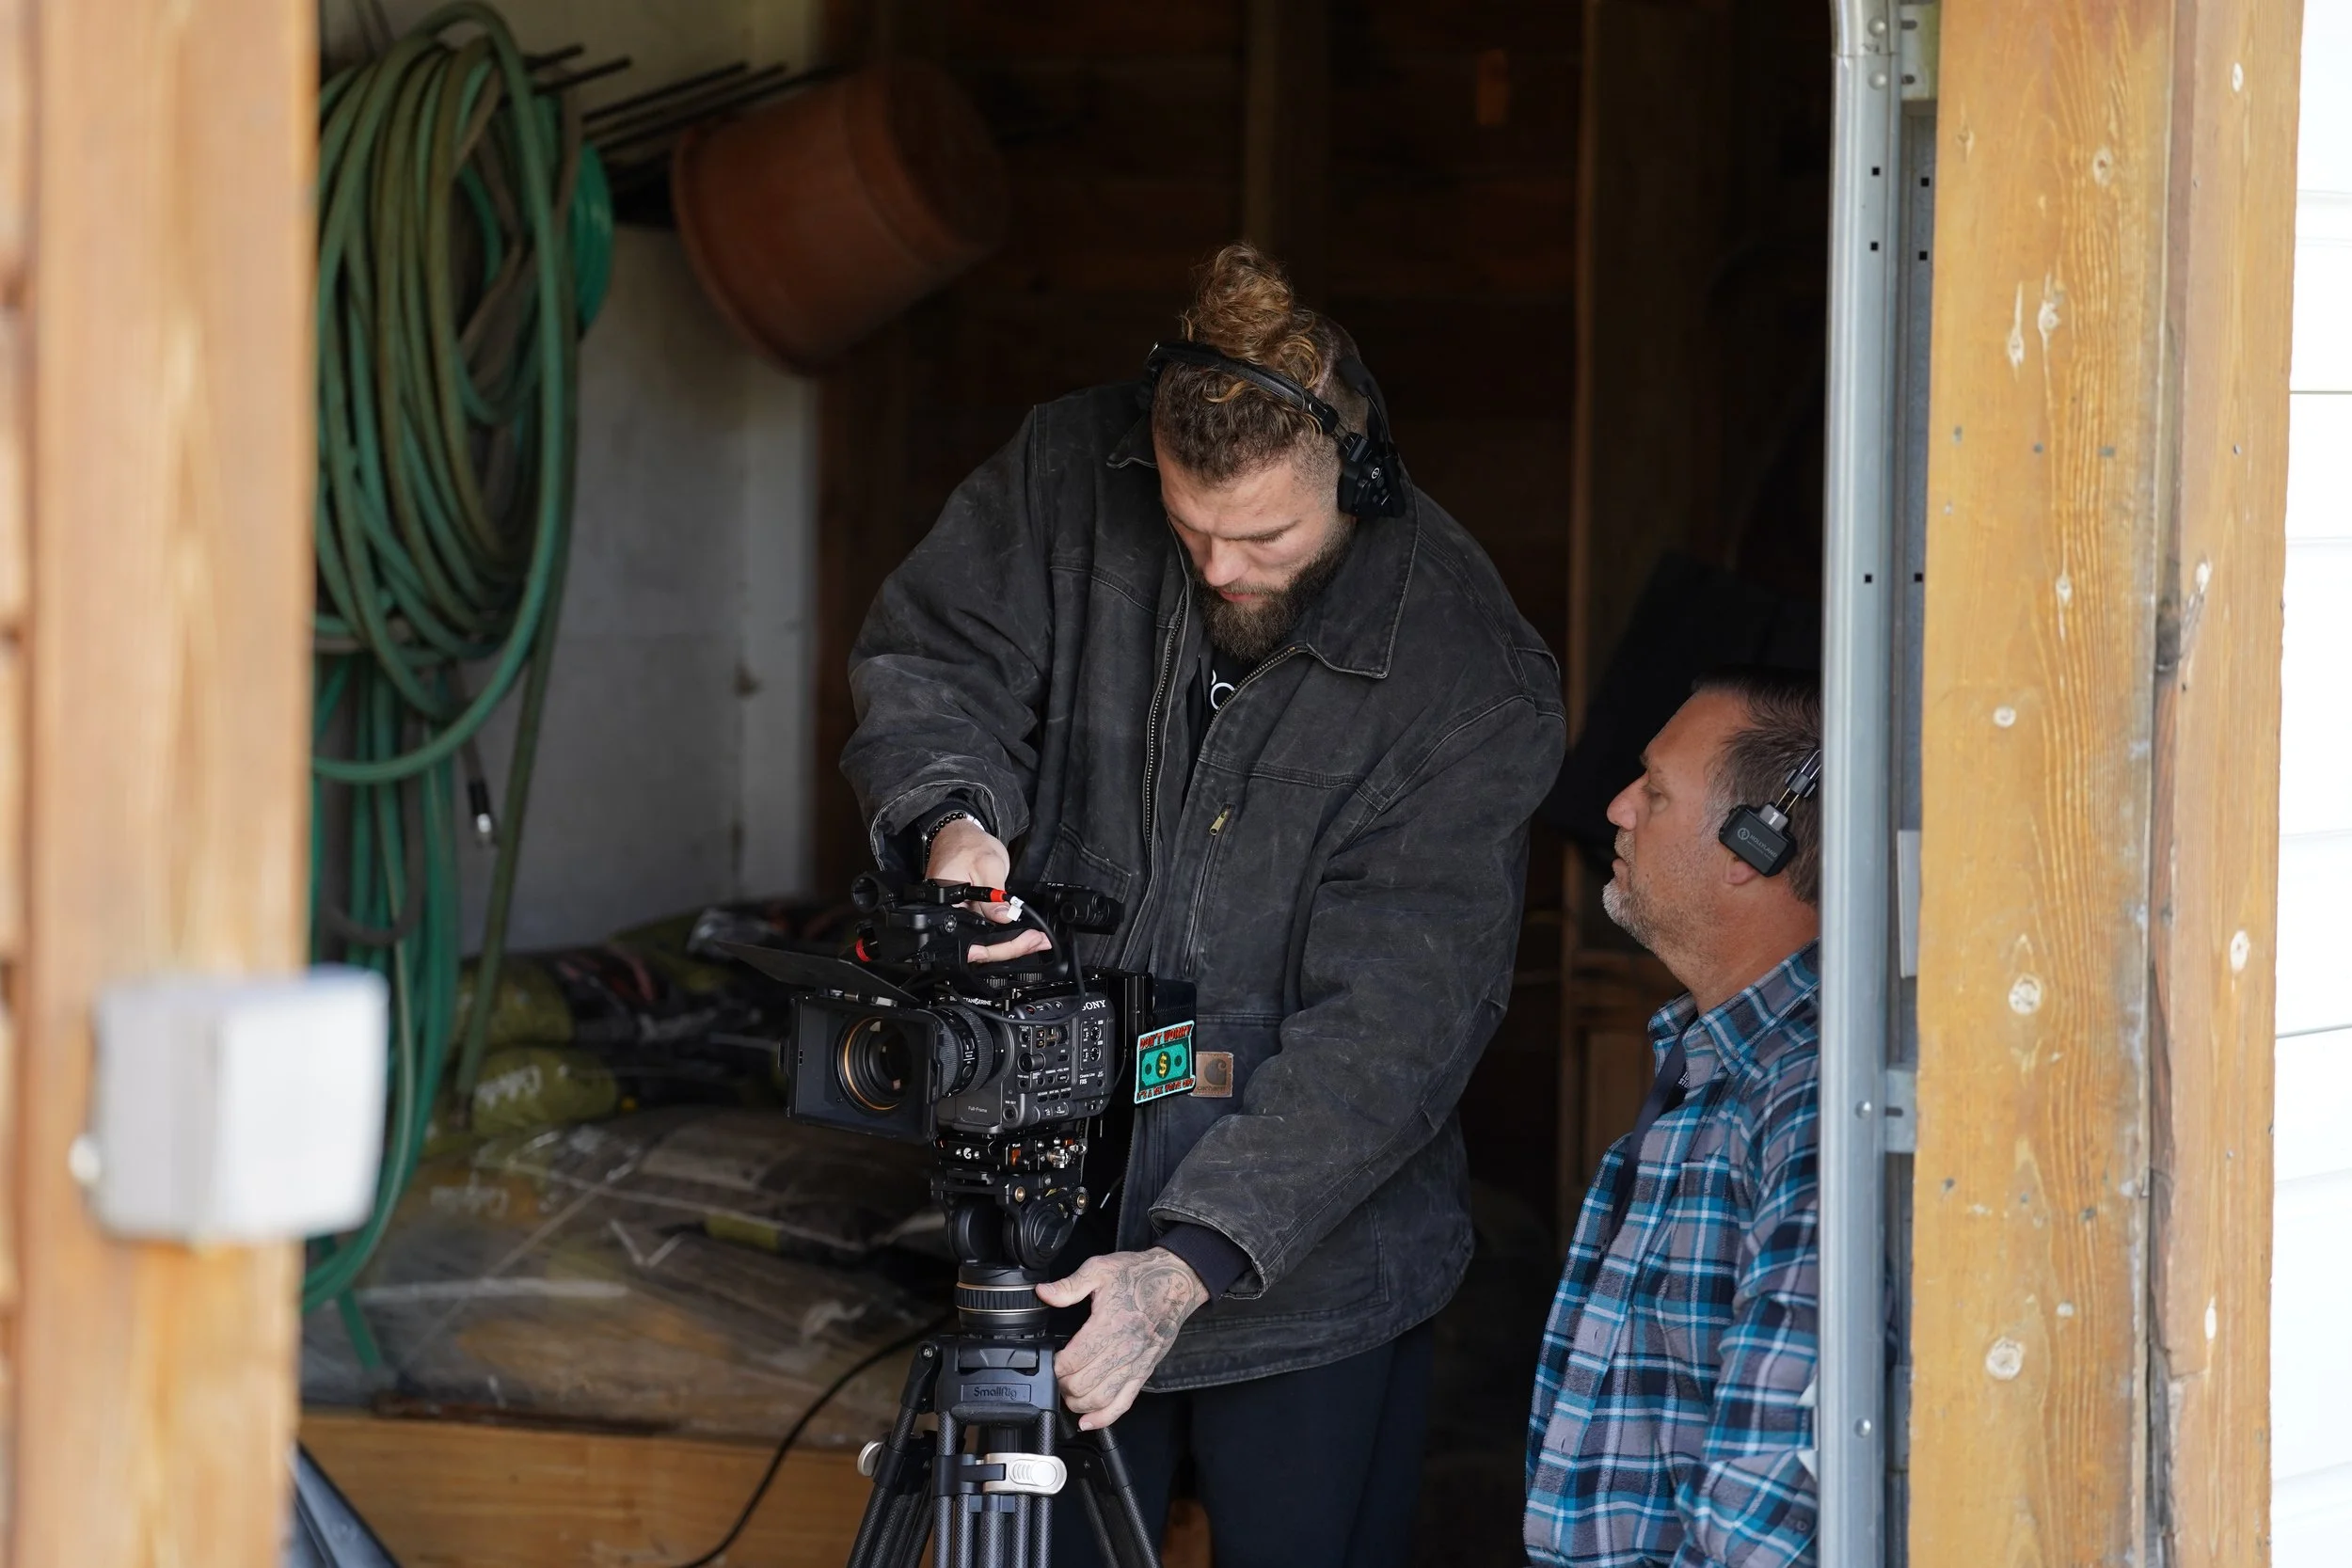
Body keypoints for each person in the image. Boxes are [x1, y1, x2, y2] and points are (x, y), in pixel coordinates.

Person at [842, 244, 1565, 1565]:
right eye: (1188, 532)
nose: (1223, 568)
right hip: (1050, 1231)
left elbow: (1396, 1025)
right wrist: (953, 819)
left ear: (1356, 477)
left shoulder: (1467, 671)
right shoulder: (1065, 472)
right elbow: (936, 655)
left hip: (1307, 1278)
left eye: (1267, 537)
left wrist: (1186, 1265)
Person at [1524, 669, 1823, 1568]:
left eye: (1653, 790)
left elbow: (1771, 1488)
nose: (1616, 807)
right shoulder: (1710, 1071)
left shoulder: (1804, 1099)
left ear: (1753, 846)